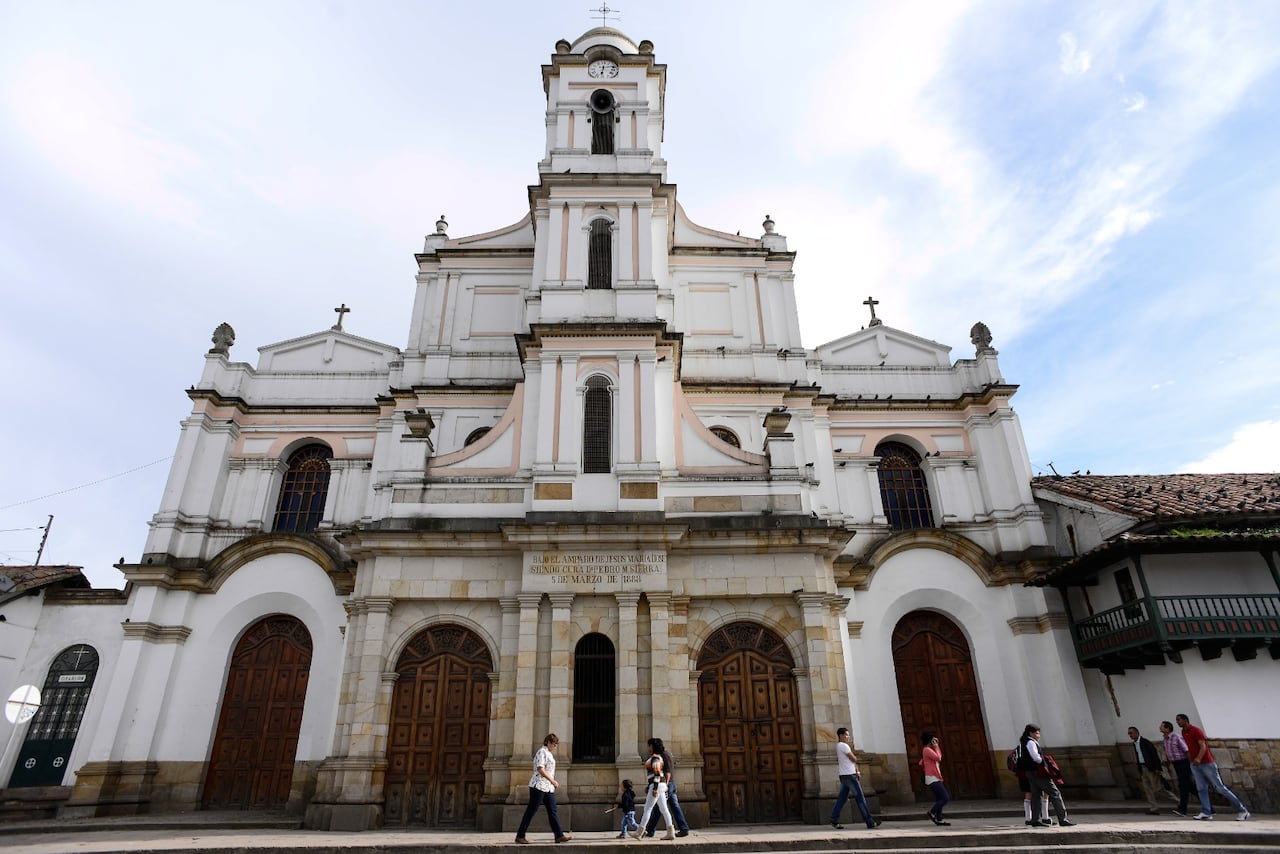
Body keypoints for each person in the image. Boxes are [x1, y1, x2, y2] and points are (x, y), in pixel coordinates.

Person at [1176, 713, 1250, 821]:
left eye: (1179, 720)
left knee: (1220, 787)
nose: (1177, 722)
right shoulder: (1184, 732)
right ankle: (1206, 812)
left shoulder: (1196, 730)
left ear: (1185, 720)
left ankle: (1242, 810)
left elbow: (1203, 746)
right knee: (1201, 788)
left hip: (1206, 763)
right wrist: (1191, 759)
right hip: (1195, 765)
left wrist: (1198, 758)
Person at [514, 733, 572, 844]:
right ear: (548, 742)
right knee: (531, 811)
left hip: (548, 788)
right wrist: (553, 780)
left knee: (553, 811)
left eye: (556, 744)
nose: (555, 746)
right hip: (539, 786)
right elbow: (540, 769)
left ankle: (559, 835)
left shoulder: (548, 753)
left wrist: (551, 783)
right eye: (554, 744)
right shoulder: (542, 752)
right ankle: (520, 836)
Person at [1016, 723, 1075, 827]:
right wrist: (1043, 761)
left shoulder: (1024, 742)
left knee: (1036, 795)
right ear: (1031, 733)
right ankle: (1063, 818)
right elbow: (1036, 757)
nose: (1039, 735)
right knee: (1055, 793)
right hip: (1038, 772)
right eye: (1037, 733)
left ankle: (1035, 819)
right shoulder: (1031, 743)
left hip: (1030, 772)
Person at [829, 727, 881, 829]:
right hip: (850, 776)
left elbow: (852, 761)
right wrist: (855, 765)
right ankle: (870, 822)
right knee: (860, 798)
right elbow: (853, 758)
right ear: (841, 736)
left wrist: (856, 770)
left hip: (845, 775)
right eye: (847, 735)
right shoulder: (843, 746)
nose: (848, 737)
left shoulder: (839, 746)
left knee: (842, 799)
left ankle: (834, 819)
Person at [641, 736, 690, 837]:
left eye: (649, 746)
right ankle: (682, 828)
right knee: (668, 807)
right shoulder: (664, 754)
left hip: (667, 784)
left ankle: (650, 830)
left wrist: (664, 786)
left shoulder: (663, 755)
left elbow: (667, 772)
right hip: (667, 784)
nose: (648, 748)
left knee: (659, 808)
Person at [630, 742, 676, 840]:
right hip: (660, 785)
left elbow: (657, 773)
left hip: (657, 785)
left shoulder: (655, 758)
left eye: (649, 745)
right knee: (664, 809)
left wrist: (654, 788)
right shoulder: (658, 757)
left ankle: (639, 832)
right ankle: (670, 832)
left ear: (653, 746)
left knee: (648, 808)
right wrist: (650, 786)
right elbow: (656, 774)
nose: (648, 747)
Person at [1160, 720, 1194, 817]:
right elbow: (1168, 751)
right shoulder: (1165, 739)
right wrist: (1167, 761)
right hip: (1176, 764)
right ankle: (1209, 807)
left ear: (1167, 728)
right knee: (1190, 786)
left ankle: (1182, 809)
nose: (1160, 728)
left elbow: (1186, 750)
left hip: (1183, 763)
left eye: (1162, 726)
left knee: (1183, 786)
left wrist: (1191, 763)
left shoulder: (1176, 737)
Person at [1127, 726, 1164, 814]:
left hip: (1150, 767)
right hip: (1143, 767)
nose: (1130, 735)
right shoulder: (1135, 744)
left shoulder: (1145, 742)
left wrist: (1157, 767)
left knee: (1158, 788)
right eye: (1129, 734)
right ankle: (1154, 808)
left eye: (1131, 733)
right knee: (1147, 789)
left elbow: (1154, 755)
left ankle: (1177, 801)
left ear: (1137, 733)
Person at [920, 731, 950, 826]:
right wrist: (936, 746)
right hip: (933, 778)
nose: (935, 742)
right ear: (930, 740)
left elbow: (922, 762)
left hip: (934, 777)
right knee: (945, 798)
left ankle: (939, 818)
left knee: (939, 798)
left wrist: (935, 746)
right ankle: (932, 812)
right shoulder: (927, 750)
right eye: (933, 740)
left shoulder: (927, 750)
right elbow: (938, 758)